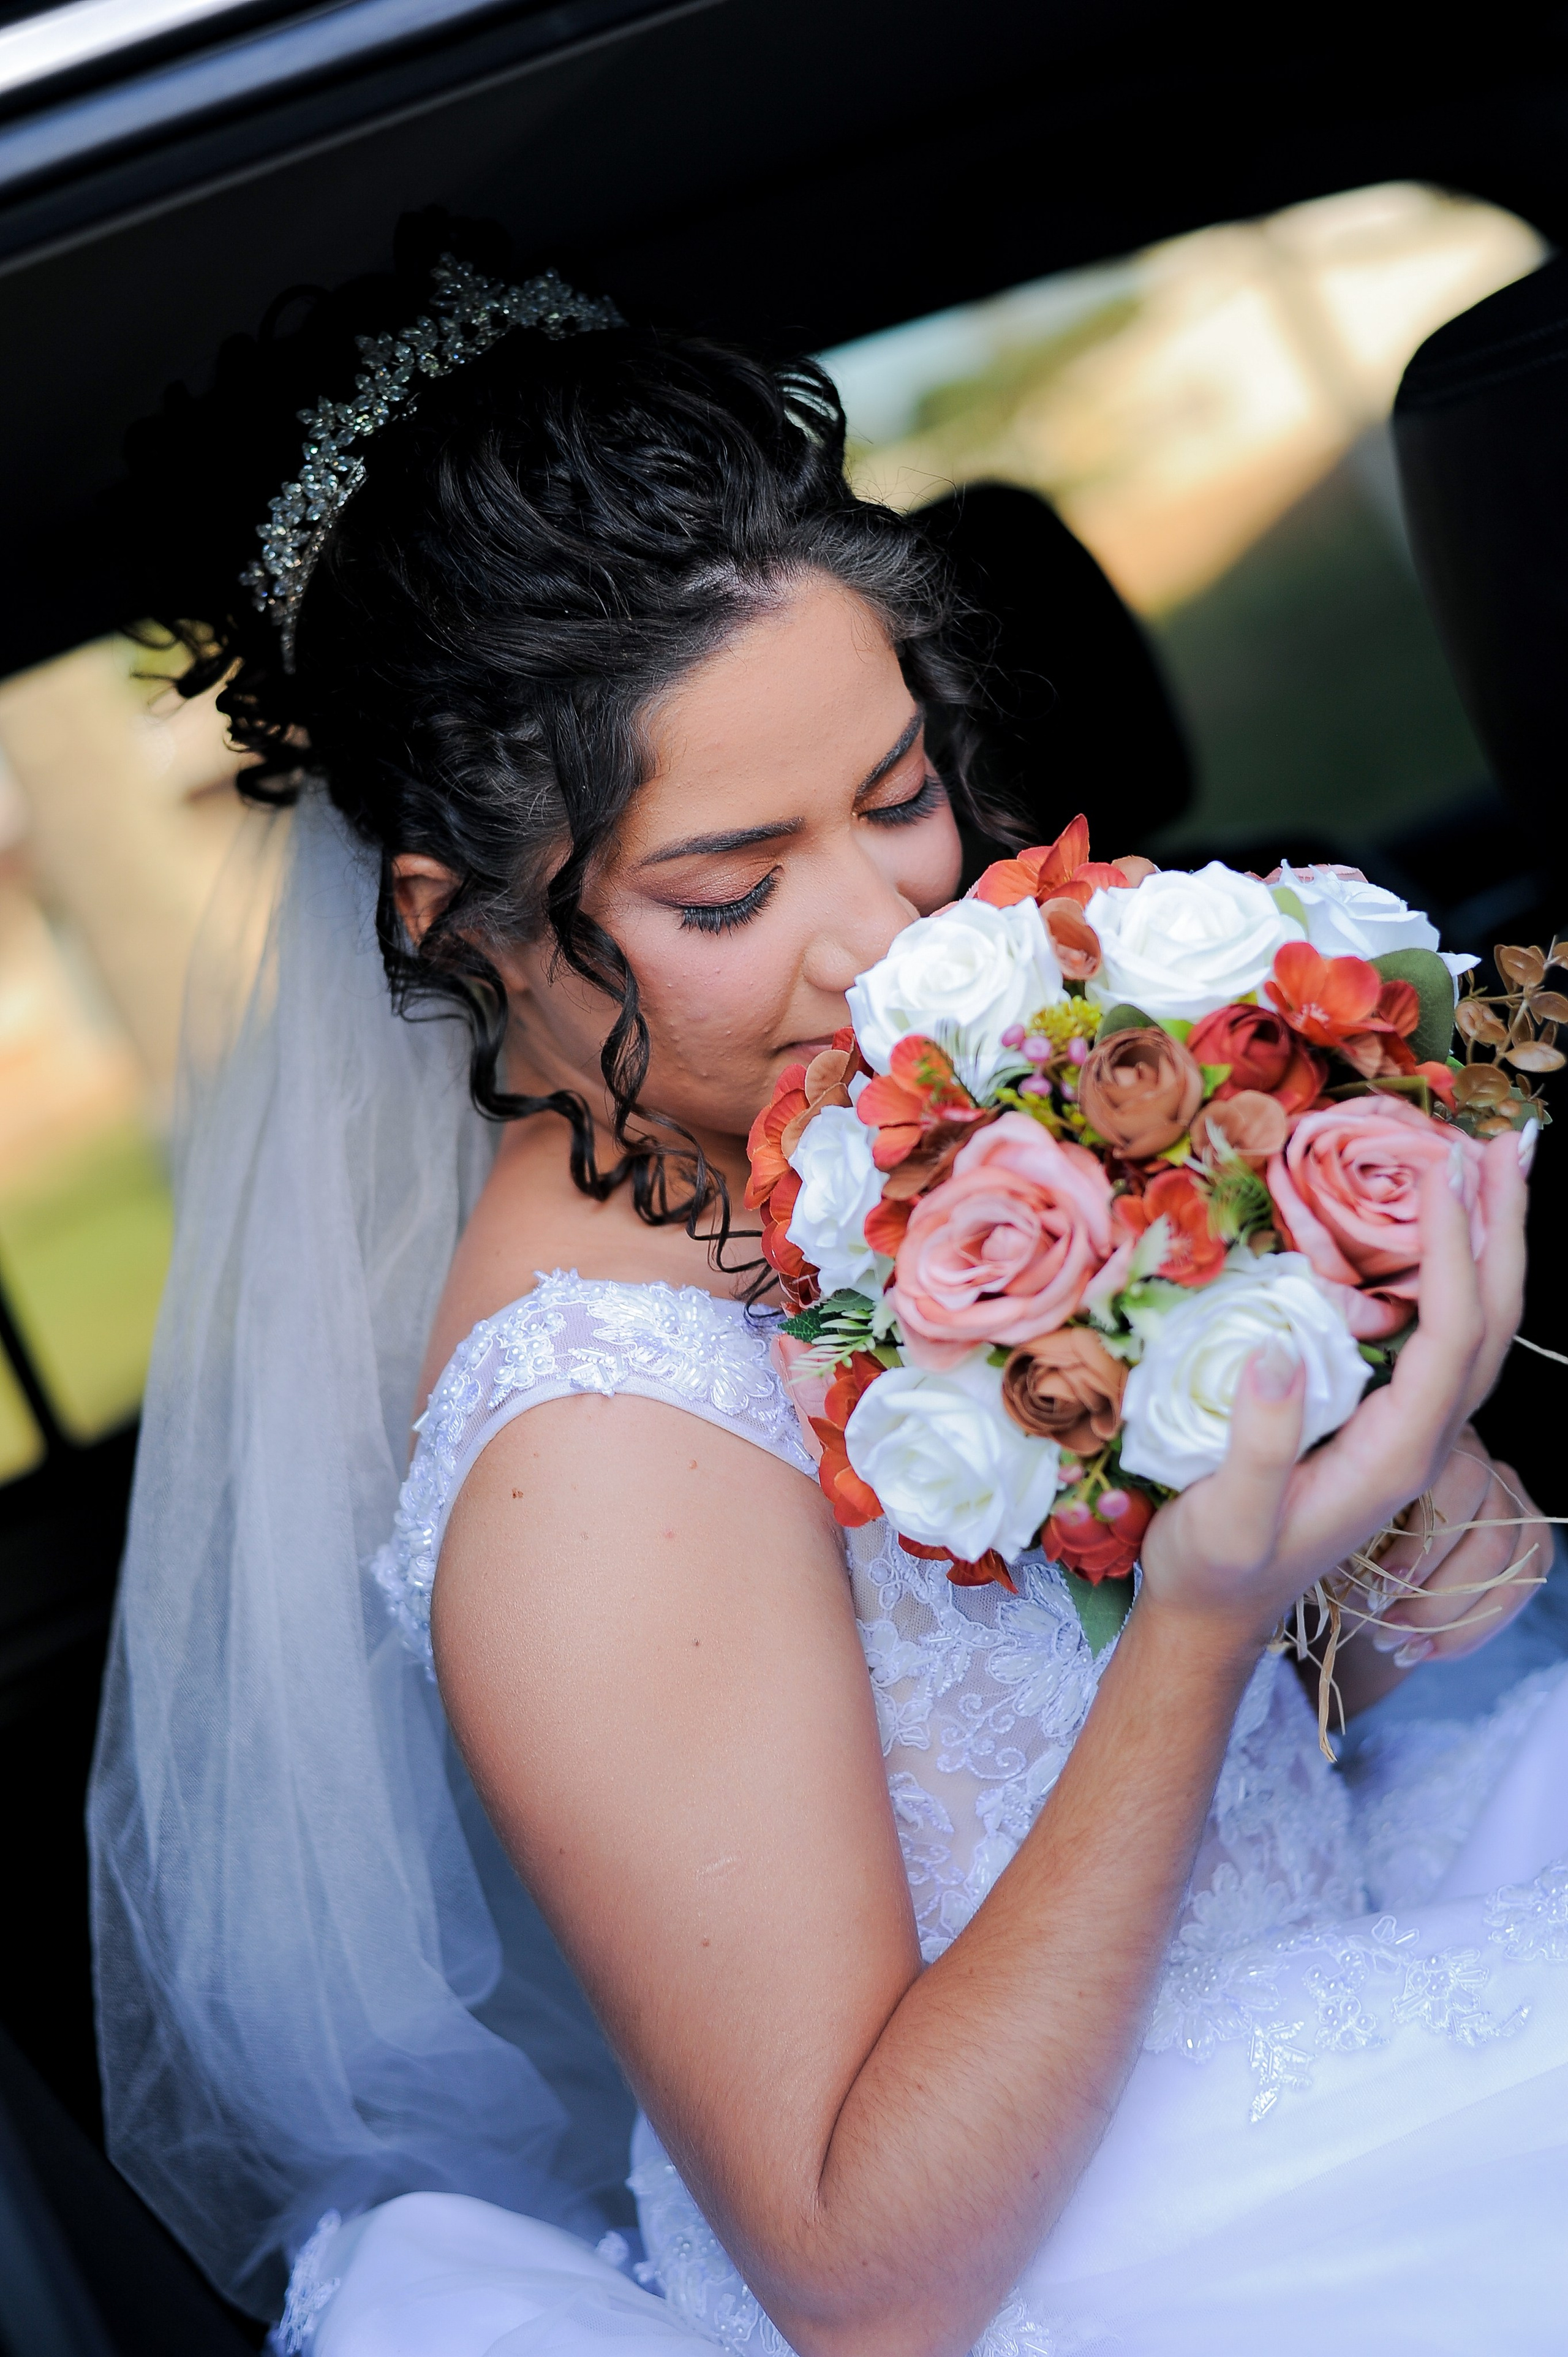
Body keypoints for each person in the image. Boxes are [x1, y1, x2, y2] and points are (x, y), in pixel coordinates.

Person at [91, 218, 1568, 2357]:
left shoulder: (927, 1124)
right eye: (724, 885)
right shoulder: (590, 1448)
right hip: (1103, 2246)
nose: (877, 933)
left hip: (1322, 1982)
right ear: (464, 922)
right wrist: (1204, 1621)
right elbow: (867, 2273)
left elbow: (1380, 1666)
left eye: (898, 801)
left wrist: (1392, 1454)